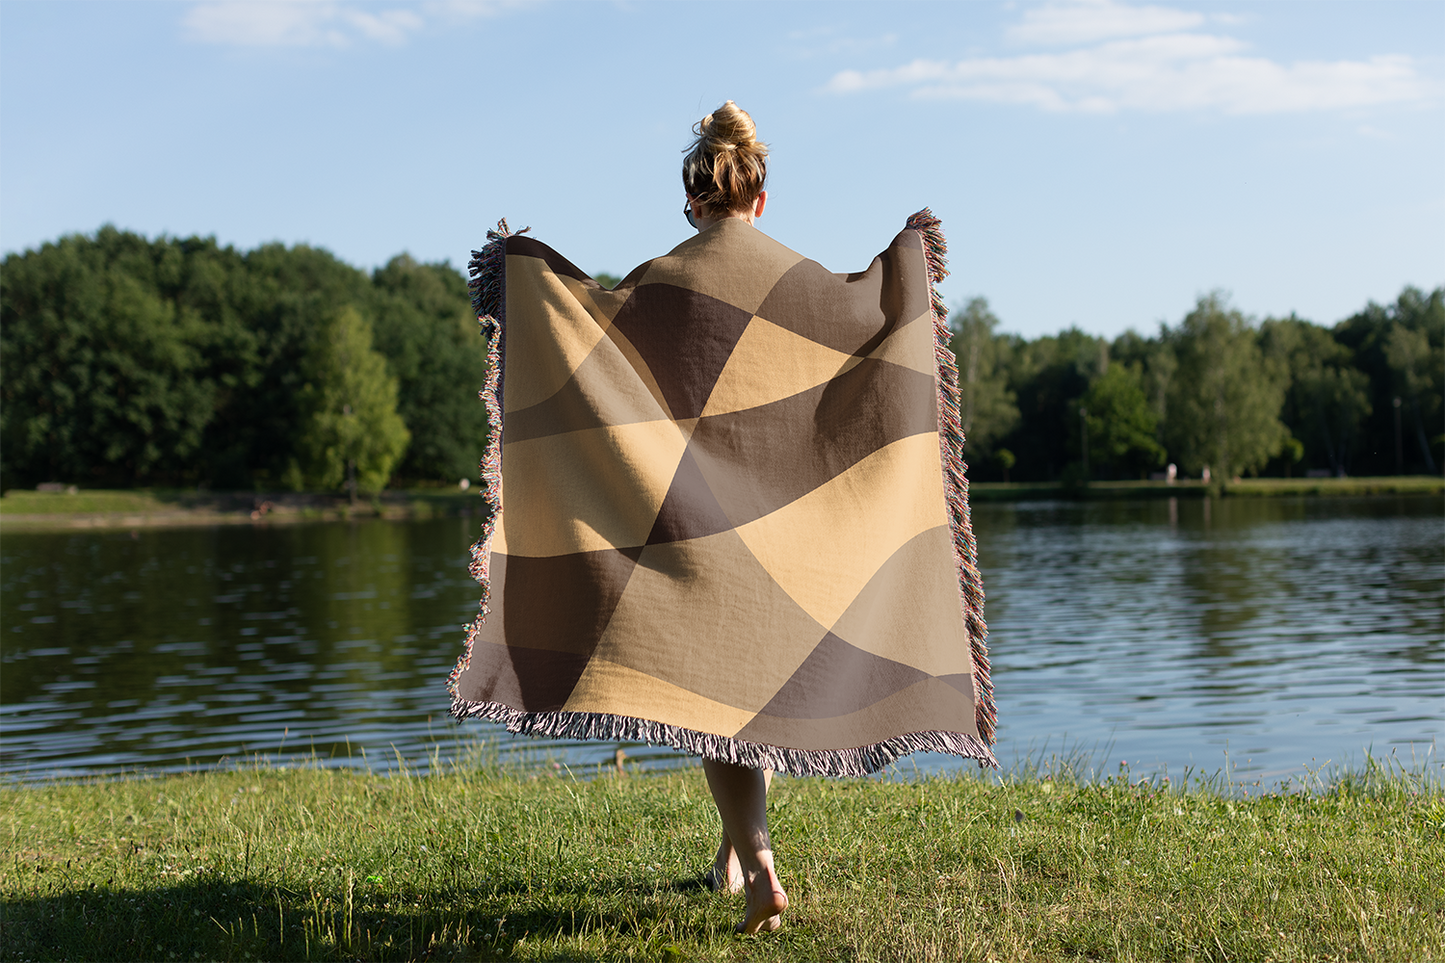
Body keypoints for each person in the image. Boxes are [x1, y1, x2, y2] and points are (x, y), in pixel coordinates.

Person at [449, 100, 995, 938]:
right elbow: (864, 332)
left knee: (720, 697)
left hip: (690, 537)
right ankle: (736, 857)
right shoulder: (803, 283)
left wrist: (529, 278)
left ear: (692, 200)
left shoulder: (657, 281)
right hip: (787, 544)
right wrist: (904, 269)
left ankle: (757, 867)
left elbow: (589, 345)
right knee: (742, 694)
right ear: (760, 197)